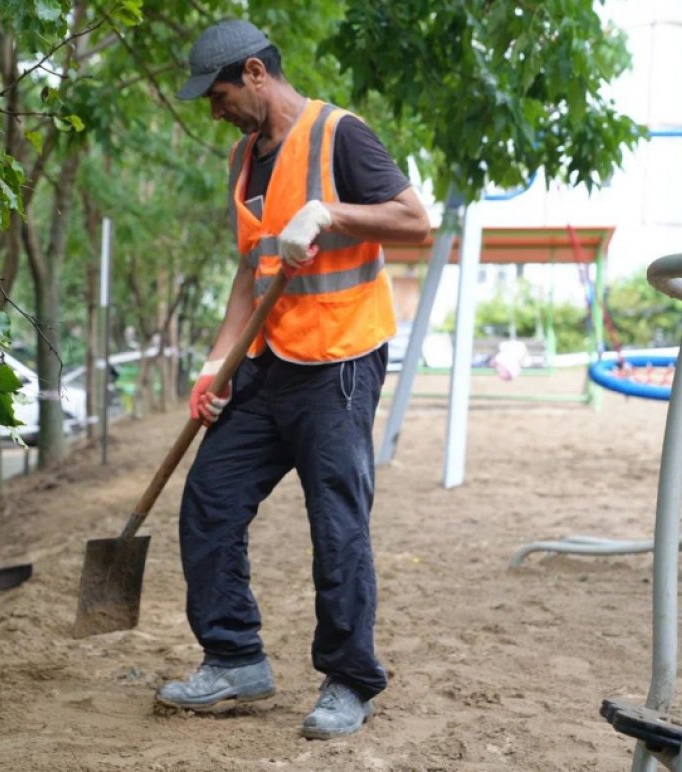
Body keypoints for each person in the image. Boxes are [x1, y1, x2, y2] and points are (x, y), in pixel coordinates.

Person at [157, 19, 430, 740]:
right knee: (210, 502)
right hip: (268, 364)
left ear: (253, 73)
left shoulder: (341, 134)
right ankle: (234, 655)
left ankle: (350, 678)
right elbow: (252, 274)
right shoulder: (243, 162)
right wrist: (217, 366)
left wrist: (330, 212)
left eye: (217, 96)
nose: (214, 112)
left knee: (336, 526)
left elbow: (414, 220)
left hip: (339, 364)